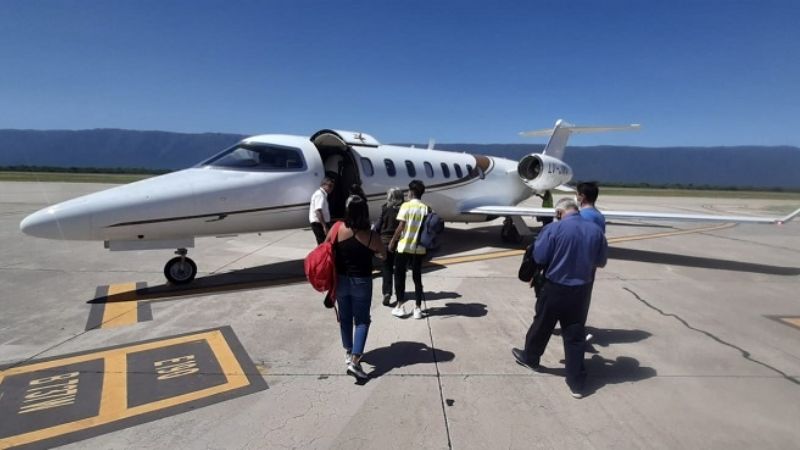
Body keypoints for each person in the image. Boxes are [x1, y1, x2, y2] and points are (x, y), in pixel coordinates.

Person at [511, 198, 607, 398]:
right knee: (574, 335)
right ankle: (576, 384)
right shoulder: (596, 231)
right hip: (581, 290)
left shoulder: (553, 230)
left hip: (554, 287)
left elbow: (540, 257)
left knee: (542, 325)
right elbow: (601, 261)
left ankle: (531, 358)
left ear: (560, 212)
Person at [328, 195, 386, 380]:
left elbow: (325, 247)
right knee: (361, 321)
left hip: (341, 280)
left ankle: (348, 351)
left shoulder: (337, 228)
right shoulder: (370, 235)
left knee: (345, 317)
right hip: (362, 281)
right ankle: (355, 360)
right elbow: (383, 255)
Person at [388, 179, 428, 320]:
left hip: (404, 246)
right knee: (417, 278)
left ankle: (400, 306)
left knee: (399, 276)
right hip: (419, 248)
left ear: (411, 192)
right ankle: (417, 308)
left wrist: (392, 242)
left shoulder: (406, 206)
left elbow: (401, 226)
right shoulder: (426, 208)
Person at [377, 187, 404, 306]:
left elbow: (379, 225)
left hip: (385, 241)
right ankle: (399, 294)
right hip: (399, 242)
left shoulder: (385, 208)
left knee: (386, 268)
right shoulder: (403, 209)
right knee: (399, 269)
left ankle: (387, 292)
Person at [309, 177, 335, 245]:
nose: (331, 188)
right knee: (323, 244)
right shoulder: (320, 194)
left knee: (324, 243)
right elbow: (318, 211)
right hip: (318, 224)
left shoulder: (322, 194)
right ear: (323, 185)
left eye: (332, 186)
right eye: (330, 186)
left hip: (320, 223)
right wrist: (324, 226)